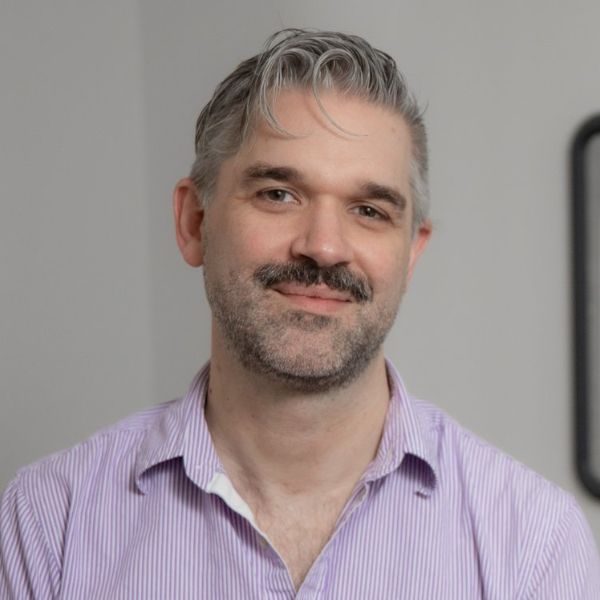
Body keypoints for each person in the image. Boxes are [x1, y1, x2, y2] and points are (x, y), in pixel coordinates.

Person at [1, 28, 599, 600]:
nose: (324, 247)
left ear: (411, 254)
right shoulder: (50, 520)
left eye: (369, 210)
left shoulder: (533, 543)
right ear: (194, 223)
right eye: (278, 194)